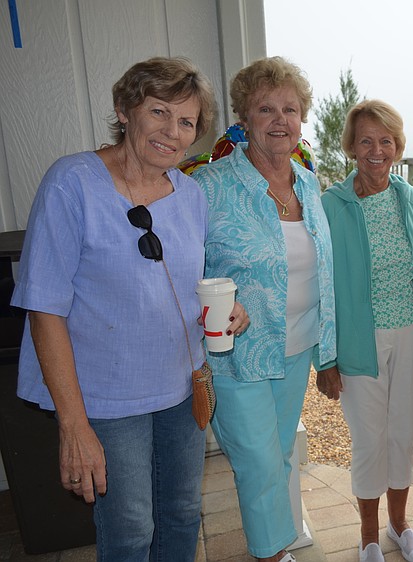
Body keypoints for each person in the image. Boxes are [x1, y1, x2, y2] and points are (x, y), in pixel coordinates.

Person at [11, 57, 248, 561]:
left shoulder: (189, 194)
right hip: (106, 399)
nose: (172, 132)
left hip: (181, 389)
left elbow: (184, 284)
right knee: (131, 530)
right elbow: (44, 309)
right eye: (158, 112)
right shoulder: (71, 183)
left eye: (186, 122)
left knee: (183, 514)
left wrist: (231, 309)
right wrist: (74, 426)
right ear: (124, 110)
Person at [191, 57, 336, 562]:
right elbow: (183, 266)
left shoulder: (309, 183)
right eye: (266, 109)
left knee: (276, 456)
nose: (280, 120)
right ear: (245, 118)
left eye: (290, 110)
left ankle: (275, 547)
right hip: (240, 354)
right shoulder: (210, 186)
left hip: (295, 346)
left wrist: (330, 352)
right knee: (255, 462)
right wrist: (222, 299)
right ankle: (273, 553)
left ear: (302, 121)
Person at [317, 99, 413, 562]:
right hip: (358, 343)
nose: (376, 149)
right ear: (350, 147)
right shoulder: (331, 205)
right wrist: (324, 358)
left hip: (410, 337)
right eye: (366, 140)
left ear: (398, 147)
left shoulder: (409, 198)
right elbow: (319, 286)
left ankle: (399, 525)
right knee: (369, 440)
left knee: (403, 434)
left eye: (385, 140)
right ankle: (369, 535)